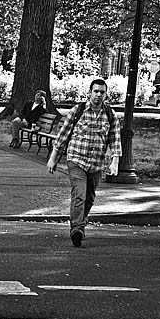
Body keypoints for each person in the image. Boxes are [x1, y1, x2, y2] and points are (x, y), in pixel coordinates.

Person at [47, 78, 121, 247]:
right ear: (90, 92)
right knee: (79, 194)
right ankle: (77, 229)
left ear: (105, 94)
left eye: (102, 92)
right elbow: (63, 135)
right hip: (76, 159)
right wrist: (53, 158)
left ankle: (80, 220)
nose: (98, 95)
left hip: (96, 164)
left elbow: (115, 139)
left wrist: (114, 162)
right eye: (96, 91)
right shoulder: (78, 110)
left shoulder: (110, 114)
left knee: (89, 198)